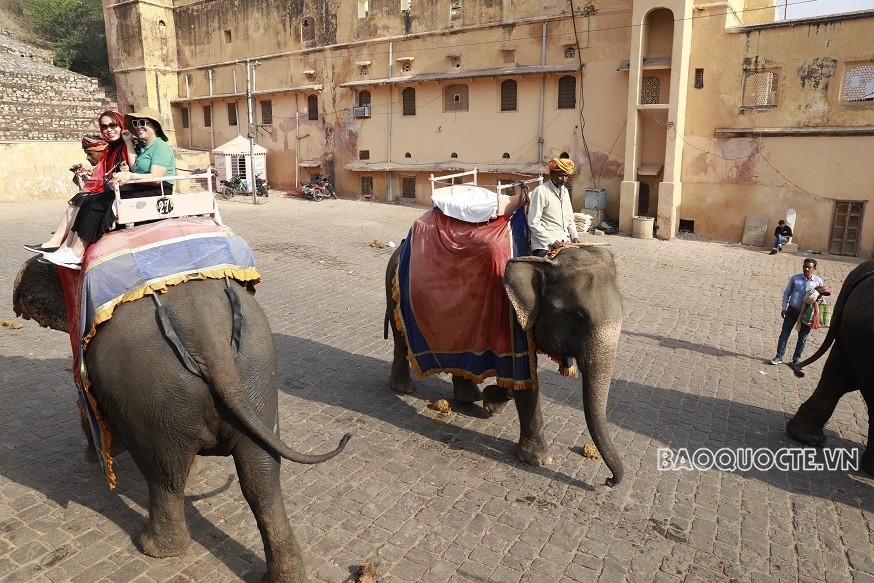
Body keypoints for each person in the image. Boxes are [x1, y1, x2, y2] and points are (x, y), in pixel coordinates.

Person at [41, 107, 174, 268]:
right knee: (91, 201)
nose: (138, 126)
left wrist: (130, 176)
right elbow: (135, 167)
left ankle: (77, 252)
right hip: (142, 187)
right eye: (136, 123)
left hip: (156, 190)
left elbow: (155, 178)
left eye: (143, 123)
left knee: (99, 205)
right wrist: (128, 152)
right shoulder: (145, 147)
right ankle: (70, 248)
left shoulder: (160, 147)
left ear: (155, 126)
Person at [24, 113, 136, 256]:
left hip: (125, 190)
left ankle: (66, 247)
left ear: (121, 125)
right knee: (79, 199)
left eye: (113, 125)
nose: (109, 129)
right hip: (113, 188)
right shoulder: (111, 148)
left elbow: (132, 169)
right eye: (104, 127)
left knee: (85, 200)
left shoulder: (129, 144)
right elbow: (106, 171)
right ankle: (58, 244)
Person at [770, 258, 827, 365]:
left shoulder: (818, 281)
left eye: (809, 267)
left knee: (803, 337)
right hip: (792, 310)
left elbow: (820, 298)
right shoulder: (795, 279)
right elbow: (787, 293)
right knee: (784, 334)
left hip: (807, 313)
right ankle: (779, 356)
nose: (806, 269)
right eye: (805, 266)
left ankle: (796, 359)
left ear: (814, 268)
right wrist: (784, 307)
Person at [527, 156, 580, 257]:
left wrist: (575, 237)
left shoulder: (565, 191)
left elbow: (569, 218)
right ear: (552, 174)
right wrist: (552, 241)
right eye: (560, 176)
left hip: (564, 243)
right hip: (544, 246)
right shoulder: (541, 191)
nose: (563, 179)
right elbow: (533, 222)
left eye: (566, 176)